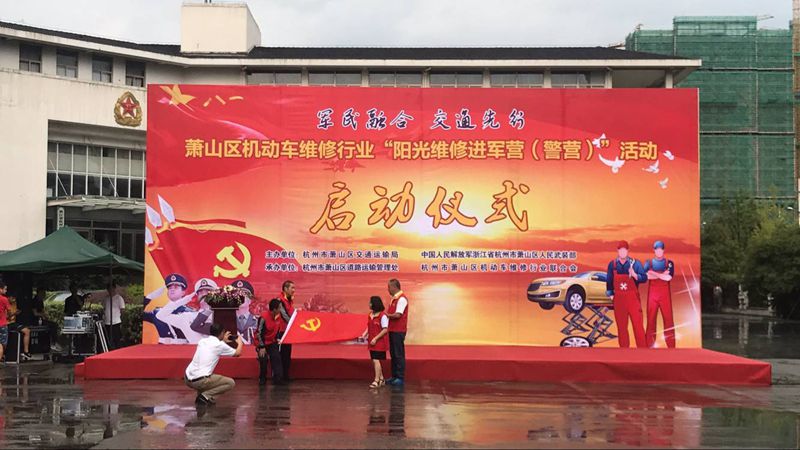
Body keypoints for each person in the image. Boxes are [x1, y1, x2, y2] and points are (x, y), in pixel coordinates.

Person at [184, 323, 243, 405]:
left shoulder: (202, 341)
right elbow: (237, 353)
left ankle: (203, 397)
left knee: (205, 377)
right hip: (201, 381)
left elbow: (214, 346)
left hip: (187, 378)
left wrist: (222, 340)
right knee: (230, 383)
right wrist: (240, 343)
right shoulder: (220, 345)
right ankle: (205, 396)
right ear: (222, 333)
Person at [606, 241, 647, 348]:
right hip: (619, 300)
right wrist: (611, 295)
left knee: (638, 326)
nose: (622, 252)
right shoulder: (612, 264)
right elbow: (609, 281)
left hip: (633, 299)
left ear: (628, 251)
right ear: (618, 251)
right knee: (621, 327)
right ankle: (624, 352)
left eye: (624, 250)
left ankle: (643, 351)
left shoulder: (635, 263)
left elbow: (644, 278)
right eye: (620, 250)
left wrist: (634, 275)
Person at [191, 280, 258, 344]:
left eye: (245, 293)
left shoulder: (259, 321)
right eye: (237, 294)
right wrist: (211, 307)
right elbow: (196, 326)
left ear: (251, 299)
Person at [156, 278, 218, 344]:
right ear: (197, 296)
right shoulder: (187, 317)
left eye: (208, 291)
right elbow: (160, 315)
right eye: (201, 292)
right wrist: (184, 300)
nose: (204, 294)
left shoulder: (221, 315)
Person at [644, 241, 676, 348]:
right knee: (651, 320)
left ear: (663, 250)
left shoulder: (669, 263)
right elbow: (646, 277)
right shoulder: (648, 263)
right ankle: (649, 346)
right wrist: (662, 274)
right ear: (654, 250)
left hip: (665, 296)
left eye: (660, 249)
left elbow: (668, 278)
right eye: (657, 249)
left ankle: (671, 347)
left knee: (668, 320)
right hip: (652, 295)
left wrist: (653, 273)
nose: (659, 251)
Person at [143, 274, 191, 344]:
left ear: (183, 293)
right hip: (161, 348)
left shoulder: (189, 312)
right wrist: (148, 298)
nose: (172, 289)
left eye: (176, 287)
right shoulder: (157, 312)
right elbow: (139, 315)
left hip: (182, 347)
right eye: (170, 288)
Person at [255, 299, 285, 386]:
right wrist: (261, 347)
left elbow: (278, 329)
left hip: (272, 342)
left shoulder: (279, 317)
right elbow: (259, 333)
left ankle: (278, 379)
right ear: (274, 309)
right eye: (279, 308)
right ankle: (262, 378)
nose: (281, 310)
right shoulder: (263, 317)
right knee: (263, 359)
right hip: (262, 342)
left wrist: (277, 338)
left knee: (276, 358)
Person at [385, 279, 409, 385]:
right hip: (392, 329)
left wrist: (386, 315)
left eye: (389, 287)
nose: (388, 289)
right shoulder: (394, 299)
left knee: (398, 354)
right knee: (393, 354)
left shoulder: (402, 299)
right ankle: (394, 376)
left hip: (398, 330)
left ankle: (400, 377)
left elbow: (398, 315)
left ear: (394, 287)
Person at [364, 295, 389, 389]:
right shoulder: (370, 315)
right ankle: (381, 379)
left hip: (379, 342)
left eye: (370, 302)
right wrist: (364, 334)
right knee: (375, 360)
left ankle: (376, 380)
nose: (369, 304)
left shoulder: (383, 316)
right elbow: (369, 326)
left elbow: (385, 329)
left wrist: (376, 338)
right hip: (372, 341)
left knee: (376, 360)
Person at [277, 280, 296, 381]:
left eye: (294, 288)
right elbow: (284, 315)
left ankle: (285, 375)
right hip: (280, 332)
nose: (294, 290)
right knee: (281, 355)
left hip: (287, 331)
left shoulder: (289, 300)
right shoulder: (280, 300)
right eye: (292, 288)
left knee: (287, 355)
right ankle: (279, 376)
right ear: (285, 289)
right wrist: (294, 324)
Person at [103, 283, 125, 350]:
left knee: (117, 339)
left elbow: (122, 309)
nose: (110, 290)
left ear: (114, 288)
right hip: (107, 322)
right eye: (108, 289)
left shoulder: (119, 298)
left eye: (111, 288)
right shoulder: (106, 298)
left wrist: (121, 319)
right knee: (108, 339)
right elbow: (104, 308)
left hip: (116, 322)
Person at [0, 282, 10, 363]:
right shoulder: (4, 299)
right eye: (5, 289)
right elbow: (9, 310)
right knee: (2, 343)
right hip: (2, 324)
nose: (6, 291)